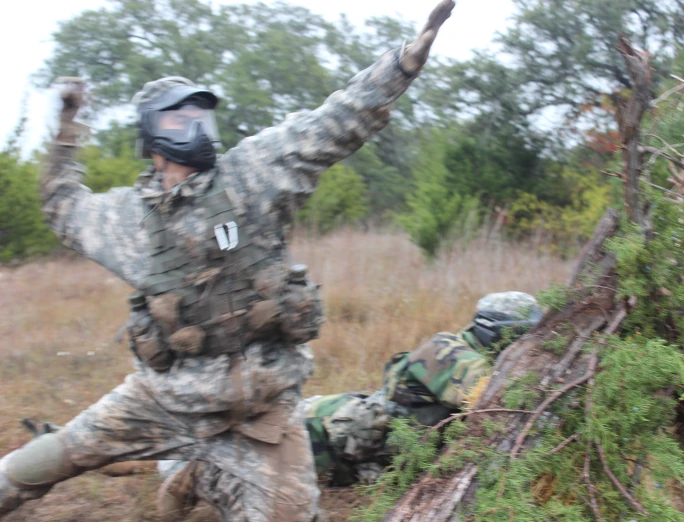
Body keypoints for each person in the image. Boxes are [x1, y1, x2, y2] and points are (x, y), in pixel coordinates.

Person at [0, 2, 455, 521]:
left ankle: (202, 471)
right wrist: (65, 132)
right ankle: (188, 464)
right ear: (152, 136)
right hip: (163, 401)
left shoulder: (253, 174)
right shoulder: (122, 219)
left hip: (260, 413)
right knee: (37, 464)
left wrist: (400, 65)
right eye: (179, 116)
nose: (194, 126)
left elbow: (335, 121)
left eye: (201, 115)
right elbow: (62, 205)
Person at [156, 291, 542, 518]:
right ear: (497, 334)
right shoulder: (447, 350)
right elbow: (489, 398)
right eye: (525, 338)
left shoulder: (477, 356)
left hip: (366, 458)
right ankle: (188, 466)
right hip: (326, 431)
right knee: (240, 462)